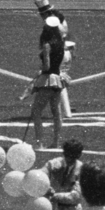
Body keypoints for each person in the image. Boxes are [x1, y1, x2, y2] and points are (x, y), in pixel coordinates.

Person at [28, 16, 66, 148]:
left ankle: (39, 143)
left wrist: (39, 74)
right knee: (57, 113)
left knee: (36, 111)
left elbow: (46, 67)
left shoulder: (47, 45)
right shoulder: (61, 44)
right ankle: (56, 142)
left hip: (47, 80)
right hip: (57, 80)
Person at [45, 140, 85, 210]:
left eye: (72, 157)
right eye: (67, 155)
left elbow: (76, 196)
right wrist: (45, 187)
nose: (69, 159)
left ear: (79, 155)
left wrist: (55, 196)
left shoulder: (82, 169)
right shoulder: (54, 163)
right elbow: (38, 176)